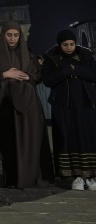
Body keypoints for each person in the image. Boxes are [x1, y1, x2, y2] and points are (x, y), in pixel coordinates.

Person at [0, 21, 48, 188]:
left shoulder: (26, 54)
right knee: (9, 144)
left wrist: (29, 77)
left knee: (30, 141)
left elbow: (36, 75)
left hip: (28, 107)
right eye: (9, 35)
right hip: (7, 105)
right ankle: (13, 179)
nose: (13, 38)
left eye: (16, 35)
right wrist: (4, 74)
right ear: (3, 35)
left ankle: (30, 177)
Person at [42, 29, 96, 191]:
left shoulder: (85, 56)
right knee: (67, 138)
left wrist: (76, 70)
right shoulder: (52, 58)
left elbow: (94, 75)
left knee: (86, 138)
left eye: (72, 44)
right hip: (63, 107)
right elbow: (48, 80)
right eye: (65, 44)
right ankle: (74, 177)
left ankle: (90, 176)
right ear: (60, 44)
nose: (69, 47)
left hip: (85, 106)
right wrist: (66, 71)